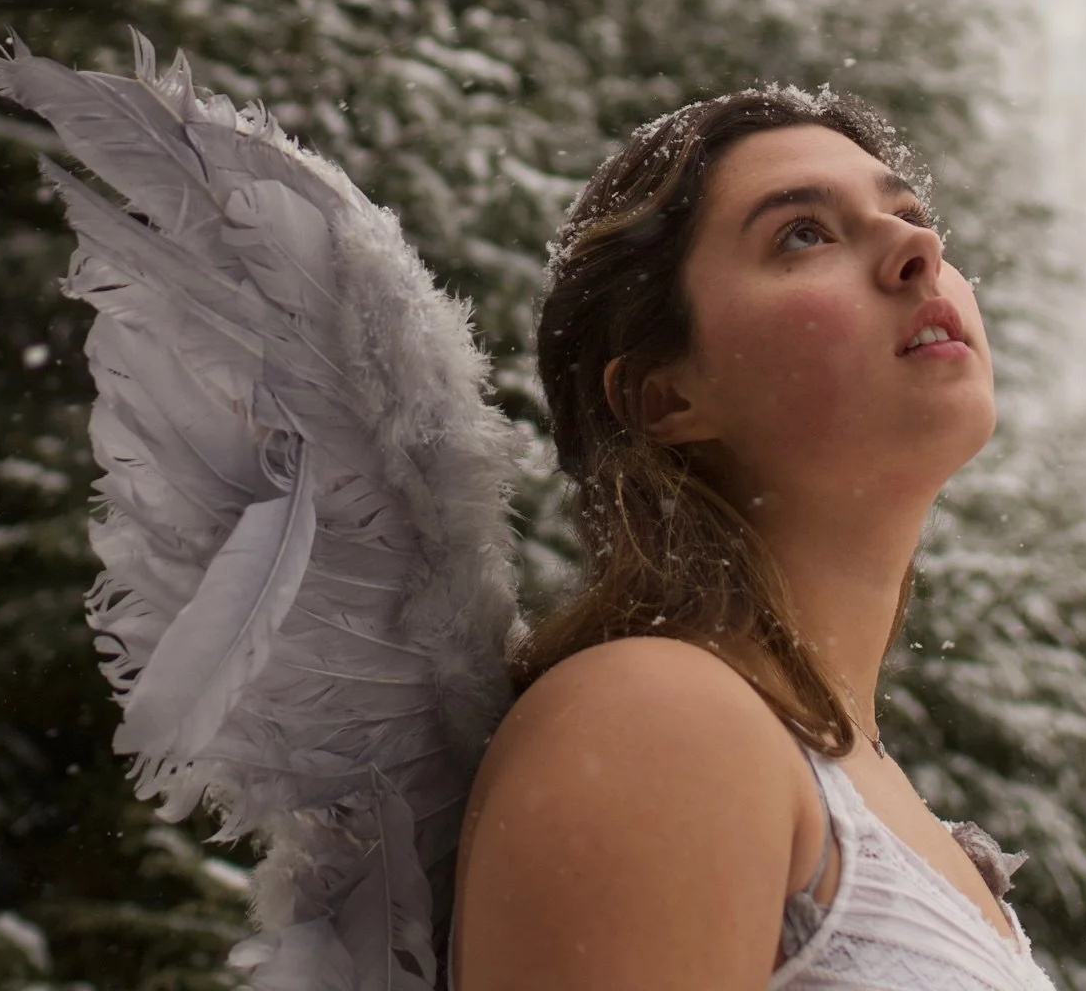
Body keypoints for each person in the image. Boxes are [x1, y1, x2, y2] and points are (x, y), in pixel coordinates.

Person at [451, 85, 1052, 991]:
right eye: (803, 233)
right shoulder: (653, 715)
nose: (918, 248)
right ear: (667, 398)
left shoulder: (852, 781)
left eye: (909, 213)